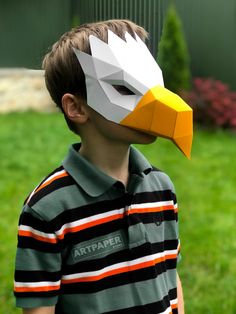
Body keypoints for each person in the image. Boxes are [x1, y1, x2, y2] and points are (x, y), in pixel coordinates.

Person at [14, 19, 191, 314]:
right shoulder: (47, 209)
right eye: (124, 88)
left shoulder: (161, 189)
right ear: (77, 108)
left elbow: (170, 272)